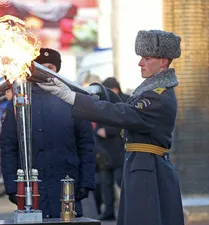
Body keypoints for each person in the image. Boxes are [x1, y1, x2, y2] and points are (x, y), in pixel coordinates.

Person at [38, 30, 184, 225]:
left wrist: (73, 98)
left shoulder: (158, 96)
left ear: (163, 61)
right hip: (142, 165)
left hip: (147, 168)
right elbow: (124, 104)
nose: (140, 63)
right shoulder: (151, 91)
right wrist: (99, 91)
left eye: (146, 58)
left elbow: (123, 114)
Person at [0, 48, 96, 218]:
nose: (45, 72)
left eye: (50, 67)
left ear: (57, 70)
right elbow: (8, 146)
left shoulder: (72, 99)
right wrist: (12, 186)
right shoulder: (19, 101)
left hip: (66, 182)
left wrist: (86, 182)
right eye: (41, 67)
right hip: (31, 186)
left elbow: (86, 143)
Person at [94, 77, 129, 220]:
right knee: (105, 184)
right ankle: (108, 212)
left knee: (123, 182)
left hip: (120, 151)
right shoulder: (103, 101)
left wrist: (106, 131)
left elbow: (125, 122)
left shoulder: (125, 100)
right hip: (104, 152)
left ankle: (128, 210)